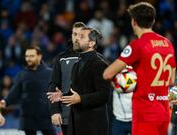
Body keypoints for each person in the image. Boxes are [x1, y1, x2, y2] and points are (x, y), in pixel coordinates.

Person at [103, 2, 176, 135]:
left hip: (145, 114)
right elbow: (171, 81)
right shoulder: (167, 43)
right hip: (164, 112)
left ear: (133, 22)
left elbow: (107, 74)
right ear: (153, 21)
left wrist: (127, 81)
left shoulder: (137, 45)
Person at [48, 27, 112, 135]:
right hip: (76, 125)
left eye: (81, 37)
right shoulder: (76, 65)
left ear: (91, 43)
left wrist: (81, 99)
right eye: (76, 36)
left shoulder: (100, 65)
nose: (77, 39)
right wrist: (62, 96)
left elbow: (104, 95)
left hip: (93, 126)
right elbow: (76, 92)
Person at [0, 46, 55, 135]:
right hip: (28, 116)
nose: (28, 59)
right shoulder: (22, 75)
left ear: (39, 56)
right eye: (27, 56)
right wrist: (5, 101)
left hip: (46, 115)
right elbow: (14, 92)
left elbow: (57, 91)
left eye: (32, 56)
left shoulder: (50, 73)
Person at [48, 22, 86, 135]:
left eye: (81, 35)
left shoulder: (96, 58)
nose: (77, 38)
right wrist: (54, 111)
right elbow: (53, 85)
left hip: (89, 115)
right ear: (71, 36)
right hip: (67, 114)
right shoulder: (61, 58)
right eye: (75, 34)